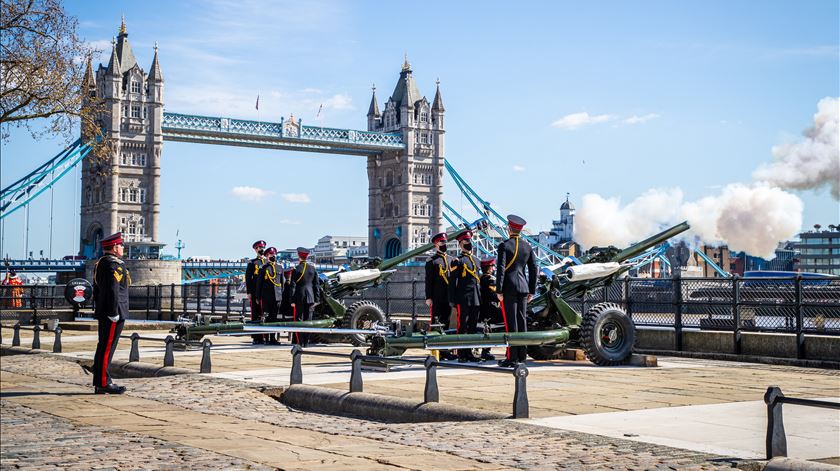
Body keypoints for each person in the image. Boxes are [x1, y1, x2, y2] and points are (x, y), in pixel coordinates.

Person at [496, 215, 537, 367]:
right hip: (524, 287)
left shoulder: (504, 246)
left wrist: (499, 290)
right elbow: (534, 269)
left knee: (511, 322)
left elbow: (500, 269)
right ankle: (522, 356)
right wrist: (532, 290)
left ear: (509, 228)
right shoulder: (527, 246)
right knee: (522, 321)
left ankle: (512, 357)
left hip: (509, 287)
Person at [91, 232, 129, 394]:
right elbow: (112, 290)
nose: (122, 248)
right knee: (107, 348)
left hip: (107, 310)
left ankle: (101, 381)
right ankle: (103, 383)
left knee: (104, 346)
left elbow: (97, 290)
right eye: (120, 245)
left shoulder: (102, 263)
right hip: (114, 311)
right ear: (114, 247)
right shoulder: (113, 265)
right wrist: (113, 311)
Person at [448, 230, 481, 362]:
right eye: (466, 241)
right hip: (463, 298)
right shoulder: (457, 261)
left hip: (476, 298)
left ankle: (470, 353)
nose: (469, 243)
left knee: (473, 326)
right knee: (462, 326)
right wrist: (452, 300)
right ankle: (462, 354)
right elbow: (452, 283)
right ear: (460, 243)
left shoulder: (476, 260)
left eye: (469, 240)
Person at [424, 232, 457, 360]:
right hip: (437, 297)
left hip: (448, 297)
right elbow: (429, 281)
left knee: (447, 323)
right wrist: (428, 297)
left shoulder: (450, 260)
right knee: (436, 323)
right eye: (442, 242)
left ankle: (444, 349)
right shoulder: (432, 261)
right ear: (436, 244)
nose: (444, 244)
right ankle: (436, 350)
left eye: (445, 242)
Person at [290, 247, 319, 347]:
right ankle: (306, 342)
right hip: (310, 297)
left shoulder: (296, 269)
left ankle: (300, 342)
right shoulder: (312, 269)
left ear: (299, 256)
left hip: (299, 297)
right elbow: (316, 285)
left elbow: (293, 286)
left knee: (298, 320)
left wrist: (292, 300)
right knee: (308, 321)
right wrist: (317, 299)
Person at [257, 247, 282, 345]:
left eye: (274, 254)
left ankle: (273, 338)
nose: (273, 256)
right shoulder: (263, 268)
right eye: (271, 255)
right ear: (267, 256)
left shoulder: (279, 267)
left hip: (277, 297)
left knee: (274, 318)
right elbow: (259, 284)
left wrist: (281, 296)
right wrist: (258, 297)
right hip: (267, 297)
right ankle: (266, 338)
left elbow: (282, 283)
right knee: (266, 318)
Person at [478, 257, 501, 362]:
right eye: (492, 266)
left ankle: (486, 351)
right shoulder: (489, 279)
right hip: (491, 308)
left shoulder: (481, 278)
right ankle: (486, 352)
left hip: (486, 308)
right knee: (490, 330)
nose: (493, 268)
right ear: (488, 267)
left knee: (488, 329)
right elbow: (493, 294)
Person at [245, 240, 266, 345]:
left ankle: (266, 335)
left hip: (265, 292)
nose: (260, 249)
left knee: (266, 313)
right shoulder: (252, 263)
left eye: (262, 247)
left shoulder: (267, 262)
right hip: (255, 292)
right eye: (258, 248)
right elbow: (248, 278)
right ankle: (256, 336)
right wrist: (249, 292)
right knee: (256, 314)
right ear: (255, 250)